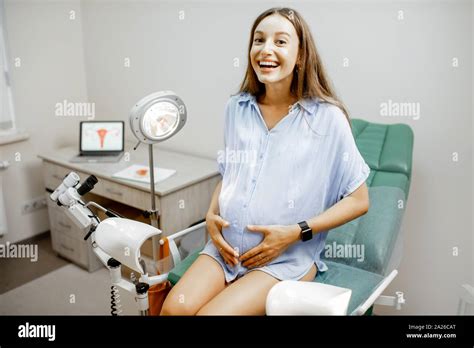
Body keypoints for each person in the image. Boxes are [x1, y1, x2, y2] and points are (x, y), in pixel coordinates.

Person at [161, 7, 370, 316]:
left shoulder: (326, 118)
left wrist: (295, 232)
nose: (266, 49)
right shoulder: (237, 107)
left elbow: (359, 200)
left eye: (280, 41)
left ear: (300, 55)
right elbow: (230, 174)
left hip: (286, 258)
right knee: (171, 311)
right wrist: (210, 214)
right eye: (259, 40)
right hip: (226, 249)